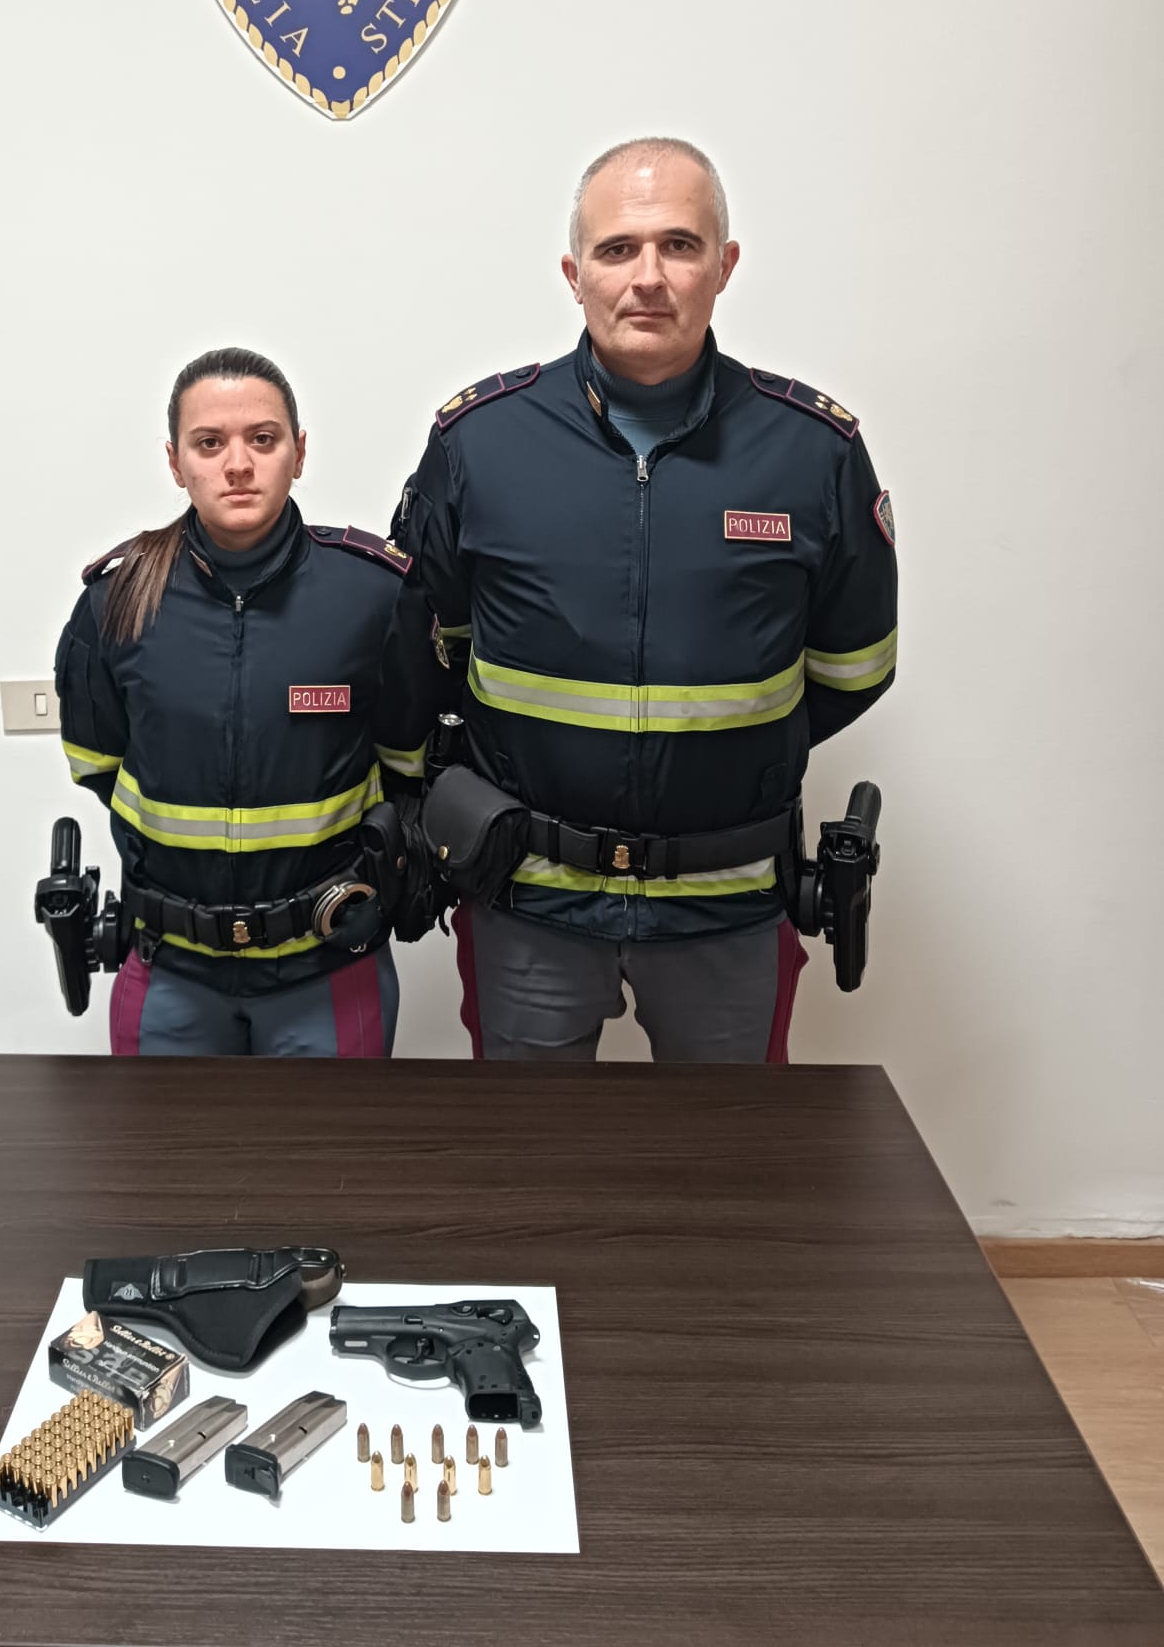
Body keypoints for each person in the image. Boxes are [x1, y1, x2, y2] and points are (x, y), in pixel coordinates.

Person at [393, 138, 898, 1062]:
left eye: (680, 245)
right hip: (529, 900)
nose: (649, 277)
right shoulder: (480, 444)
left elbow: (851, 671)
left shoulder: (814, 452)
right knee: (524, 1148)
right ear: (574, 274)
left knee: (725, 1150)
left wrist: (715, 756)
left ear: (725, 266)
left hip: (727, 903)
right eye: (619, 249)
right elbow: (435, 649)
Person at [56, 346, 441, 1056]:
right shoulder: (114, 601)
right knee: (158, 1139)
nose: (238, 464)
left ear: (299, 452)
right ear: (176, 463)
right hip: (170, 975)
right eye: (209, 443)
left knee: (342, 1138)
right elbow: (99, 765)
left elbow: (406, 764)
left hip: (328, 969)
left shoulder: (375, 594)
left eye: (262, 439)